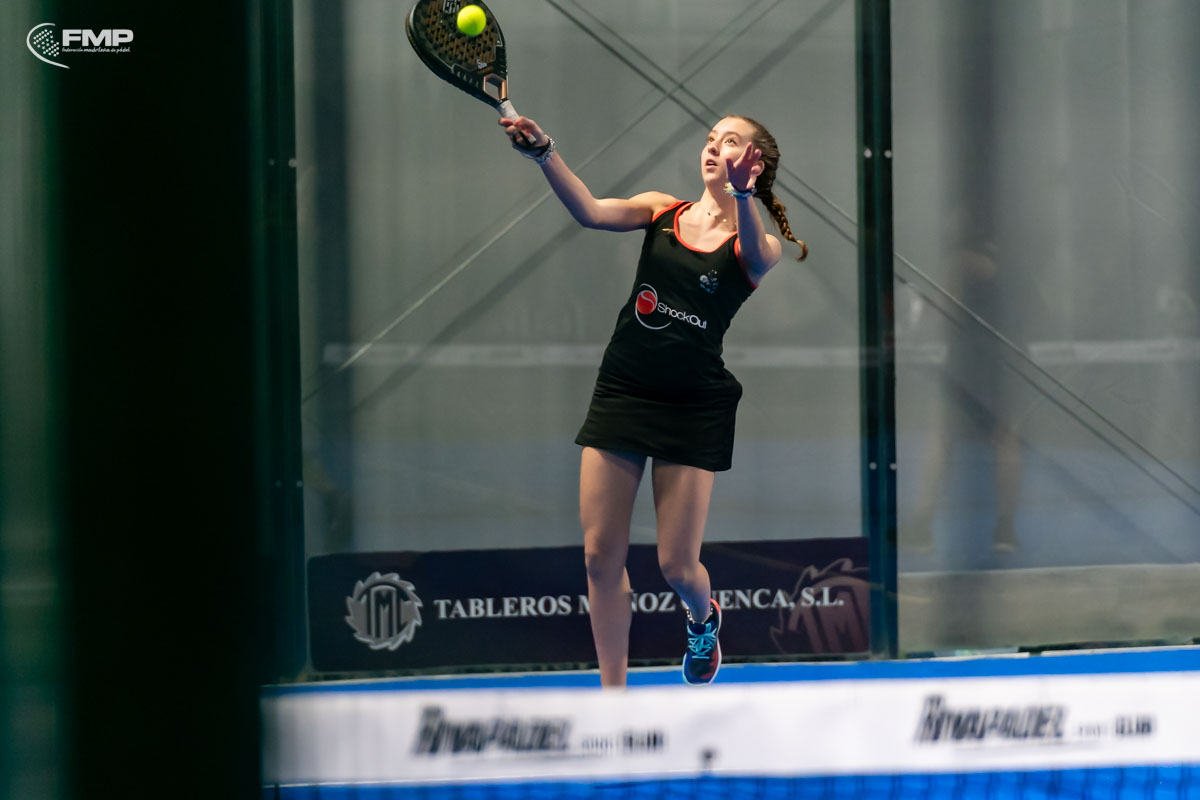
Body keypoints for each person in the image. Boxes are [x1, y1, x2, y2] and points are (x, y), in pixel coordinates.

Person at [499, 113, 807, 688]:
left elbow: (754, 254)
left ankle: (702, 619)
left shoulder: (759, 245)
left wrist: (744, 197)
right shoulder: (661, 210)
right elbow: (591, 211)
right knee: (599, 557)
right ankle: (614, 700)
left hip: (693, 405)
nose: (713, 148)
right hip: (624, 388)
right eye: (710, 139)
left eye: (730, 143)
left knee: (678, 567)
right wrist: (544, 153)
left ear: (754, 164)